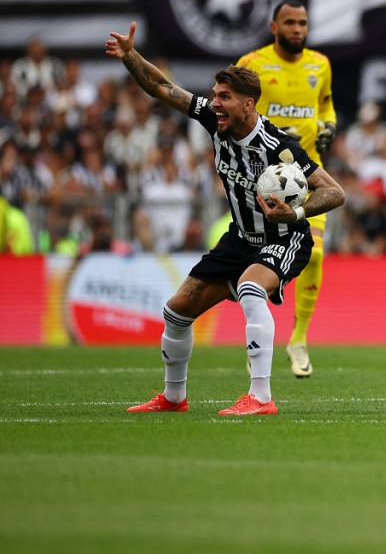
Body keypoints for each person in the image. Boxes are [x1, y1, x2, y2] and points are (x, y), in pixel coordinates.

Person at [107, 22, 345, 415]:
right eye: (215, 95)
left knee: (252, 291)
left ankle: (261, 398)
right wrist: (131, 56)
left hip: (284, 238)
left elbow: (334, 191)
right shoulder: (211, 120)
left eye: (225, 97)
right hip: (239, 240)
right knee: (176, 310)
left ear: (248, 104)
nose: (215, 102)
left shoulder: (279, 147)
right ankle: (173, 398)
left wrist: (296, 210)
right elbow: (161, 87)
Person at [236, 1, 336, 378]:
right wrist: (273, 134)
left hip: (307, 178)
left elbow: (326, 107)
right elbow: (239, 113)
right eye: (290, 23)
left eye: (303, 23)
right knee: (253, 262)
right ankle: (257, 339)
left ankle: (298, 338)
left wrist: (329, 127)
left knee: (316, 254)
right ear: (274, 26)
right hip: (264, 178)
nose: (298, 29)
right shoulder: (252, 63)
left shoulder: (320, 64)